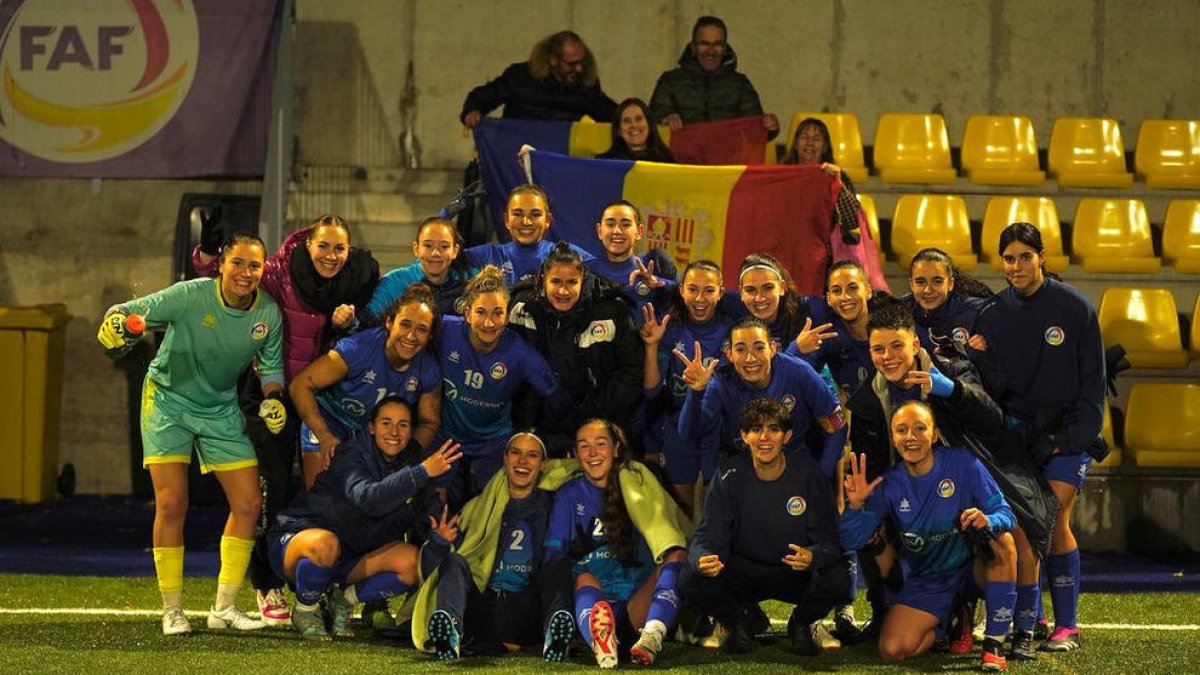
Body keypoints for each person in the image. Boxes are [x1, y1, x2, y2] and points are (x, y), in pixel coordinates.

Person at [193, 212, 379, 625]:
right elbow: (227, 280)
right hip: (269, 394)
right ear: (307, 244)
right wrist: (208, 253)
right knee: (266, 494)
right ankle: (264, 585)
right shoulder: (277, 271)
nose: (330, 256)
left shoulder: (351, 281)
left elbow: (380, 313)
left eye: (339, 248)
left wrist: (354, 320)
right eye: (323, 246)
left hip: (319, 399)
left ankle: (322, 585)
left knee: (327, 494)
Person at [97, 232, 285, 636]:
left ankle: (224, 608)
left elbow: (270, 369)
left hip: (219, 407)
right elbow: (127, 314)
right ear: (221, 263)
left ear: (262, 270)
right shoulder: (190, 295)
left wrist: (273, 399)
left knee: (250, 504)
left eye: (255, 266)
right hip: (167, 402)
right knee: (172, 504)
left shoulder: (267, 313)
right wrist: (117, 328)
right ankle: (172, 609)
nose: (246, 272)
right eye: (238, 263)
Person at [976, 222, 1107, 658]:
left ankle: (1067, 624)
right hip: (1018, 437)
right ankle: (1035, 617)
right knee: (1021, 524)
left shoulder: (1076, 308)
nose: (1016, 266)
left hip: (1069, 435)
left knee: (1051, 516)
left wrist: (1068, 439)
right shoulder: (993, 315)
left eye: (1024, 257)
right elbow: (991, 388)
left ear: (1042, 256)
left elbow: (1093, 389)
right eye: (1008, 258)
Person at [841, 401, 1018, 672]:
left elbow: (1005, 513)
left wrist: (988, 520)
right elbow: (851, 541)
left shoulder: (964, 463)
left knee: (1002, 541)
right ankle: (951, 621)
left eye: (919, 428)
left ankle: (994, 644)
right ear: (893, 438)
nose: (910, 437)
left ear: (934, 434)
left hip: (972, 571)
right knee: (892, 650)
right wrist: (855, 506)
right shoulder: (888, 484)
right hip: (929, 580)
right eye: (901, 430)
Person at [269, 397, 461, 640]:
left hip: (351, 557)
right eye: (386, 423)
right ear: (371, 427)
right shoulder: (351, 453)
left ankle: (344, 601)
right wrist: (421, 473)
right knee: (325, 544)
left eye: (403, 425)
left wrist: (439, 538)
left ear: (411, 431)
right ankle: (306, 609)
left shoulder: (415, 467)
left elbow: (426, 522)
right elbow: (368, 500)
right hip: (299, 542)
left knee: (411, 563)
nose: (394, 432)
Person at [684, 398, 849, 656]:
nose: (764, 437)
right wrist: (702, 557)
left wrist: (814, 555)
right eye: (755, 429)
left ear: (787, 435)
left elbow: (831, 540)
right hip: (743, 571)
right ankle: (736, 621)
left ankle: (802, 623)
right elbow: (708, 534)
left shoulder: (809, 474)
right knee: (692, 576)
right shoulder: (728, 474)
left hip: (794, 570)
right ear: (743, 435)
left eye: (773, 429)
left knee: (838, 578)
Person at [545, 420, 689, 668]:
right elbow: (553, 554)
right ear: (575, 454)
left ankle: (653, 633)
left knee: (676, 555)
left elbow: (667, 533)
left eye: (600, 444)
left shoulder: (640, 483)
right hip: (591, 607)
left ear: (616, 449)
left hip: (637, 607)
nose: (592, 453)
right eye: (584, 446)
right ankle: (602, 643)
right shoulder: (568, 493)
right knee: (583, 578)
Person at [422, 431, 574, 661]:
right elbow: (430, 575)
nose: (522, 461)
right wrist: (438, 543)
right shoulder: (479, 507)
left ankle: (556, 633)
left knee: (558, 562)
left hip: (528, 609)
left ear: (543, 465)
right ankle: (450, 631)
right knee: (454, 560)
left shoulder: (555, 504)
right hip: (483, 608)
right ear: (504, 458)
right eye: (516, 453)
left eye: (532, 455)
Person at [290, 283, 443, 487]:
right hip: (329, 420)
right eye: (405, 324)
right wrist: (324, 435)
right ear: (389, 322)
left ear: (430, 336)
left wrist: (407, 454)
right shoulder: (357, 349)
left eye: (421, 329)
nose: (411, 336)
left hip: (371, 434)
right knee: (321, 495)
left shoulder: (428, 369)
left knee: (369, 503)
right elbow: (300, 385)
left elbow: (428, 422)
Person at [434, 265, 561, 502]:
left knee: (490, 509)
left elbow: (556, 397)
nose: (489, 323)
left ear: (507, 313)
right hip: (446, 439)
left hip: (493, 444)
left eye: (497, 313)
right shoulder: (444, 331)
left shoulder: (520, 353)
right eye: (481, 312)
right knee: (434, 506)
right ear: (468, 313)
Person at [509, 242, 644, 456]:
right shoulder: (520, 306)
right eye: (556, 282)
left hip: (595, 429)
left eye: (572, 282)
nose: (563, 290)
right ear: (543, 280)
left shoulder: (612, 310)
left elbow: (632, 373)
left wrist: (591, 416)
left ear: (583, 280)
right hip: (532, 431)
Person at [677, 316, 847, 478]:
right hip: (742, 471)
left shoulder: (799, 372)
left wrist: (821, 477)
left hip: (795, 467)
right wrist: (696, 392)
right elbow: (688, 434)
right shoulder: (721, 385)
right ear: (729, 353)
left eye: (759, 348)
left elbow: (837, 426)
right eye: (741, 349)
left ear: (772, 348)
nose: (750, 358)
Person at [639, 260, 731, 517]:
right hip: (678, 426)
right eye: (693, 289)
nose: (700, 298)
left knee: (719, 513)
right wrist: (652, 346)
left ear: (721, 293)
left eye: (709, 290)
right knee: (682, 515)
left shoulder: (732, 331)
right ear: (681, 290)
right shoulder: (670, 328)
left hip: (718, 429)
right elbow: (652, 391)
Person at [647, 16, 779, 138]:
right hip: (681, 161)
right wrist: (664, 120)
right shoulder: (670, 81)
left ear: (725, 48)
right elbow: (649, 125)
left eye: (717, 44)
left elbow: (754, 130)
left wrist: (770, 127)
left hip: (727, 161)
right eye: (704, 43)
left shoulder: (741, 84)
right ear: (693, 47)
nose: (711, 51)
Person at [460, 31, 617, 127]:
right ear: (553, 60)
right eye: (572, 64)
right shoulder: (519, 76)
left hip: (562, 161)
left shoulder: (586, 85)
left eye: (581, 62)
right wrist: (473, 110)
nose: (579, 69)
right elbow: (487, 95)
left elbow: (607, 112)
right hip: (517, 158)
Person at [465, 184, 594, 285]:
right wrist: (446, 215)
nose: (526, 221)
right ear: (506, 220)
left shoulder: (565, 255)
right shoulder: (489, 255)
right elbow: (446, 255)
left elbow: (609, 269)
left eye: (535, 214)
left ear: (547, 220)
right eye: (517, 214)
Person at [787, 260, 876, 395]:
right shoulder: (828, 336)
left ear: (868, 291)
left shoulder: (891, 330)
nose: (844, 297)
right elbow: (790, 380)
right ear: (828, 298)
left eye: (852, 288)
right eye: (836, 291)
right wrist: (796, 349)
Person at [364, 217, 475, 320]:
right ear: (416, 249)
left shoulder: (470, 280)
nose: (435, 253)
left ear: (455, 251)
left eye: (444, 246)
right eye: (428, 246)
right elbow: (366, 321)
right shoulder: (394, 282)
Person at [782, 117, 863, 245]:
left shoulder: (836, 177)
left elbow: (851, 221)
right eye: (804, 137)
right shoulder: (781, 176)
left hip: (825, 252)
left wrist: (838, 184)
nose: (810, 143)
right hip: (785, 246)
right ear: (796, 144)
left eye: (817, 139)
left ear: (825, 147)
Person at [902, 247, 993, 358]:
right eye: (920, 282)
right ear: (911, 284)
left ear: (950, 283)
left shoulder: (977, 311)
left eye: (937, 282)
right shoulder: (899, 313)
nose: (928, 290)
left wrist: (991, 342)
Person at [597, 98, 674, 162]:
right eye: (627, 121)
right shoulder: (603, 163)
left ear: (649, 125)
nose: (634, 125)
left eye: (638, 119)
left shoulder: (667, 162)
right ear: (619, 130)